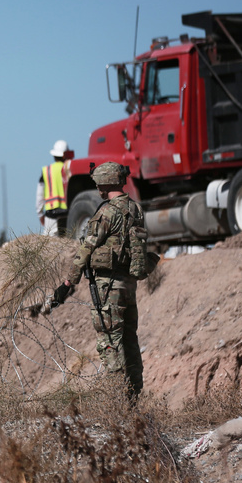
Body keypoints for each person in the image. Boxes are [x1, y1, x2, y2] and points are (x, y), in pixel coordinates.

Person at [51, 162, 144, 401]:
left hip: (108, 287)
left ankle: (117, 400)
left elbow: (86, 249)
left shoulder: (106, 212)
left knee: (110, 342)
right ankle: (134, 397)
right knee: (129, 340)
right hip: (128, 286)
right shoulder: (135, 209)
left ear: (105, 182)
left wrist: (68, 283)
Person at [36, 140, 71, 236]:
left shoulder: (46, 171)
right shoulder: (70, 169)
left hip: (51, 215)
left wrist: (40, 214)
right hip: (69, 214)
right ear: (66, 154)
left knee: (50, 246)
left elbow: (39, 196)